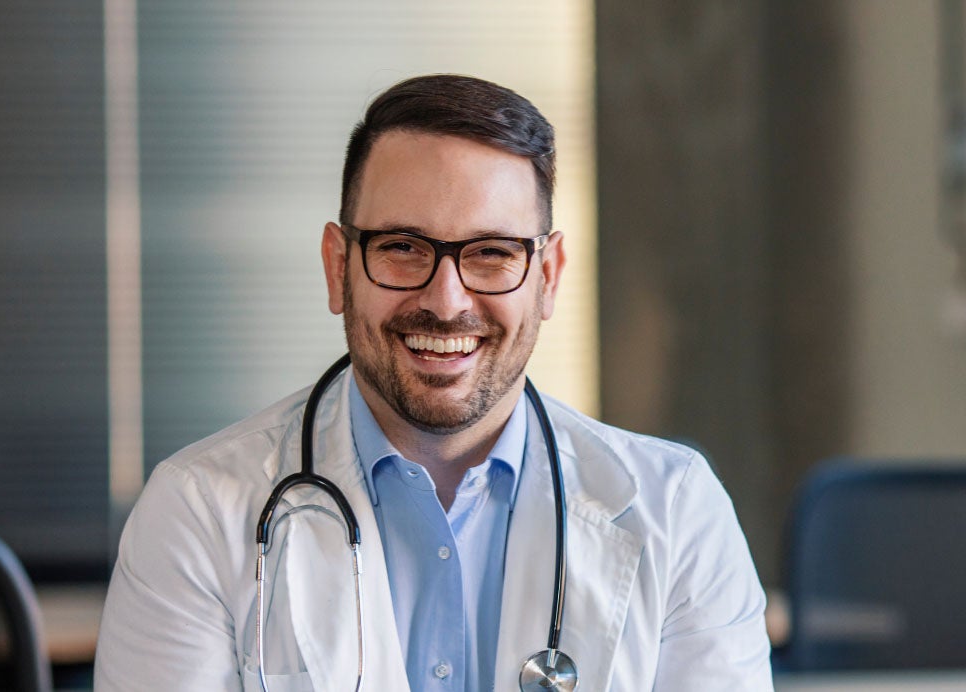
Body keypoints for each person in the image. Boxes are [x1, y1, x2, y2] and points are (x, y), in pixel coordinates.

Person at [94, 74, 773, 691]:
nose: (446, 300)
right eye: (402, 248)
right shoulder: (197, 515)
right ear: (338, 268)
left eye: (491, 254)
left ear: (549, 277)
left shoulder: (676, 515)